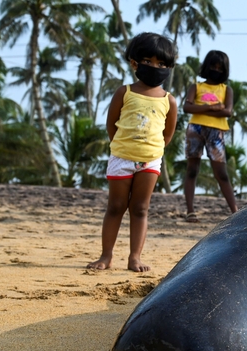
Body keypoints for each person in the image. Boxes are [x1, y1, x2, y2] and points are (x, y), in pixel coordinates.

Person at [87, 32, 178, 272]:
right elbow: (111, 124)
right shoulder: (124, 92)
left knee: (140, 208)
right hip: (121, 158)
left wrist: (152, 152)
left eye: (162, 64)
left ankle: (134, 257)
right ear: (134, 63)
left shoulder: (170, 100)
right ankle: (106, 256)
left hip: (150, 161)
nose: (155, 67)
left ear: (169, 68)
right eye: (148, 61)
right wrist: (124, 148)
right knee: (116, 206)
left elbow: (168, 134)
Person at [182, 50, 238, 223]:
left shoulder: (226, 90)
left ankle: (235, 211)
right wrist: (214, 108)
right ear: (207, 67)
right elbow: (186, 107)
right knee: (192, 169)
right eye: (213, 66)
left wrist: (202, 107)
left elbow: (227, 111)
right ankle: (190, 211)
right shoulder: (196, 87)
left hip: (216, 131)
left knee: (221, 172)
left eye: (220, 67)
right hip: (195, 129)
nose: (216, 70)